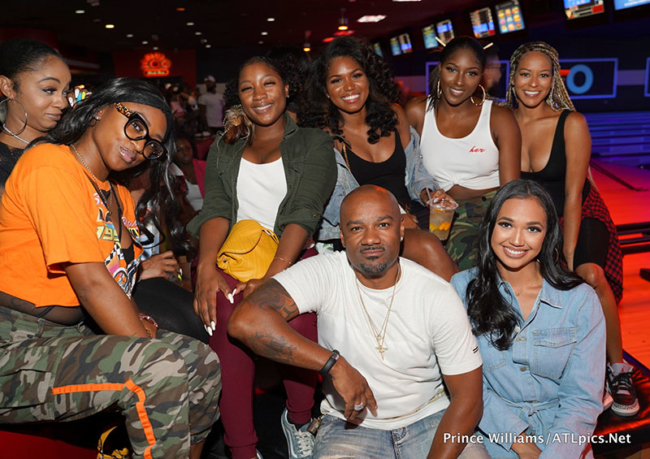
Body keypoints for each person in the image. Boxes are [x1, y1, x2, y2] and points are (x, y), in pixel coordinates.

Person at [0, 78, 221, 459]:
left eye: (150, 144)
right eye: (135, 125)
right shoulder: (51, 164)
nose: (139, 146)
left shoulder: (114, 191)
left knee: (202, 362)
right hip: (13, 345)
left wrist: (137, 311)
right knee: (158, 366)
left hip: (65, 337)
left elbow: (116, 275)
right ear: (101, 109)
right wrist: (141, 335)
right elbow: (89, 282)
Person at [228, 185, 484, 459]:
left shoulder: (436, 294)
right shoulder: (326, 273)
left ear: (400, 230)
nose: (370, 238)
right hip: (349, 427)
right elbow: (245, 321)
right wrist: (334, 365)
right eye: (356, 228)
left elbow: (468, 401)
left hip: (432, 417)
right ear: (342, 235)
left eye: (382, 224)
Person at [188, 56, 337, 459]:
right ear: (239, 96)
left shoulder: (313, 142)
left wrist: (274, 279)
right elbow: (216, 209)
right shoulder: (226, 146)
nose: (260, 95)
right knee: (227, 324)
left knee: (296, 319)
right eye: (249, 88)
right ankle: (241, 449)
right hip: (233, 260)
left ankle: (301, 419)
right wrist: (205, 269)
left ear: (287, 88)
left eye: (268, 83)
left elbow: (304, 210)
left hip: (292, 257)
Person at [507, 42, 635, 417]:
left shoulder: (571, 122)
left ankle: (618, 369)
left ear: (553, 81)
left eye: (543, 75)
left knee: (588, 274)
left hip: (577, 210)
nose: (534, 83)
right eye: (525, 74)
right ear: (513, 78)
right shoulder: (502, 120)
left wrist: (567, 253)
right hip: (532, 219)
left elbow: (574, 194)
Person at [451, 179, 606, 458]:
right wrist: (521, 444)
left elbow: (582, 398)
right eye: (506, 224)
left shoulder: (580, 300)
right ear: (490, 227)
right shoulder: (462, 289)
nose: (517, 240)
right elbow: (469, 388)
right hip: (490, 432)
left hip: (565, 436)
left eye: (532, 229)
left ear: (548, 236)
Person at [299, 36, 458, 281]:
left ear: (369, 78)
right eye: (336, 80)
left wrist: (431, 195)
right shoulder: (323, 137)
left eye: (356, 75)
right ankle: (473, 318)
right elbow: (333, 206)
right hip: (366, 234)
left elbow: (416, 173)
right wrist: (392, 218)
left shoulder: (394, 114)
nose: (349, 87)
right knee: (428, 245)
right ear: (325, 91)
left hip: (411, 217)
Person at [406, 36, 521, 270]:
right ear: (440, 69)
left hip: (489, 210)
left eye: (471, 73)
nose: (459, 82)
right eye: (452, 69)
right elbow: (403, 172)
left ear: (482, 76)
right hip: (436, 212)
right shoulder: (418, 112)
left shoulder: (499, 118)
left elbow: (512, 192)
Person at [0, 38, 71, 197]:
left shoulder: (73, 148)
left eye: (65, 92)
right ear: (8, 87)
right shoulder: (4, 166)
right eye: (49, 90)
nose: (62, 103)